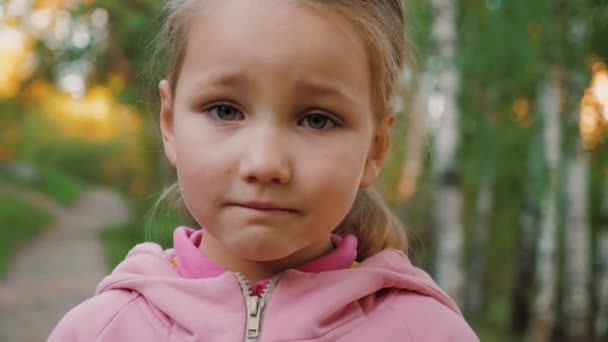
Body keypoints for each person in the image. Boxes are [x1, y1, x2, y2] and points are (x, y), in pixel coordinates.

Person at [48, 0, 479, 341]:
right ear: (170, 123)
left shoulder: (427, 333)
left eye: (316, 119)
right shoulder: (97, 331)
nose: (265, 164)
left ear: (375, 146)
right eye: (224, 110)